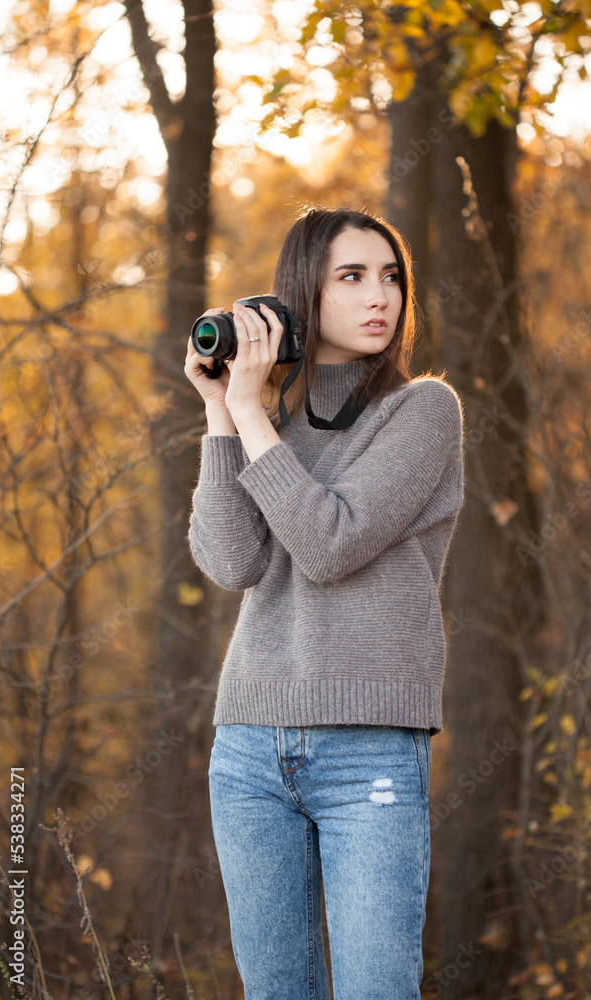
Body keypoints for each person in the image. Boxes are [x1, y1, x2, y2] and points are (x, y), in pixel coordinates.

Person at [184, 207, 465, 1000]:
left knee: (376, 989)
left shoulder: (422, 412)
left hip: (369, 751)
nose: (380, 296)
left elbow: (331, 543)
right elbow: (231, 562)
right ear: (303, 294)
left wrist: (247, 415)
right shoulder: (268, 421)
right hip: (246, 749)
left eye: (391, 277)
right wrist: (221, 412)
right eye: (352, 277)